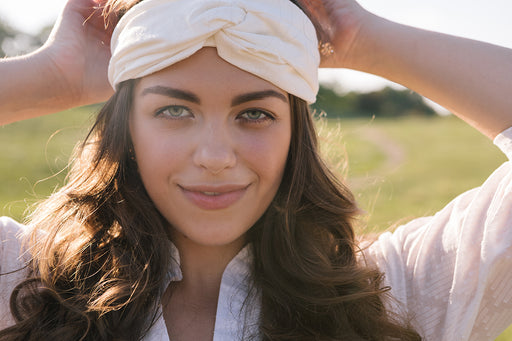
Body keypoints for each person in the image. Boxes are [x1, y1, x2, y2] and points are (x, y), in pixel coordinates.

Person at [0, 0, 511, 340]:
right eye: (175, 111)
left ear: (296, 133)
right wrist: (55, 76)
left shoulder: (395, 291)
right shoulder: (28, 285)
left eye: (255, 113)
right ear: (126, 131)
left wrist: (359, 38)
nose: (216, 156)